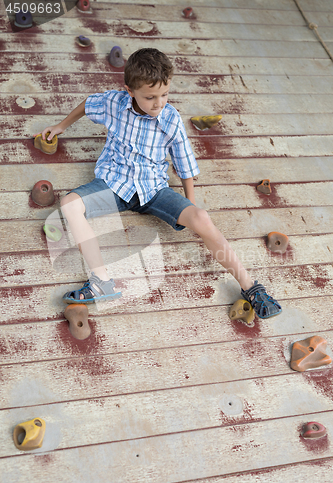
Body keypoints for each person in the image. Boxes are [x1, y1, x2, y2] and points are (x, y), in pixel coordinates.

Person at [36, 48, 281, 319]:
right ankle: (101, 282)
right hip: (113, 184)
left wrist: (190, 205)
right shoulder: (113, 104)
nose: (158, 103)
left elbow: (184, 164)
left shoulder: (170, 119)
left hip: (153, 190)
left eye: (164, 94)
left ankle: (251, 286)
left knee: (201, 217)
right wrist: (61, 125)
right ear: (129, 90)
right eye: (150, 97)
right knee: (70, 205)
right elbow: (88, 103)